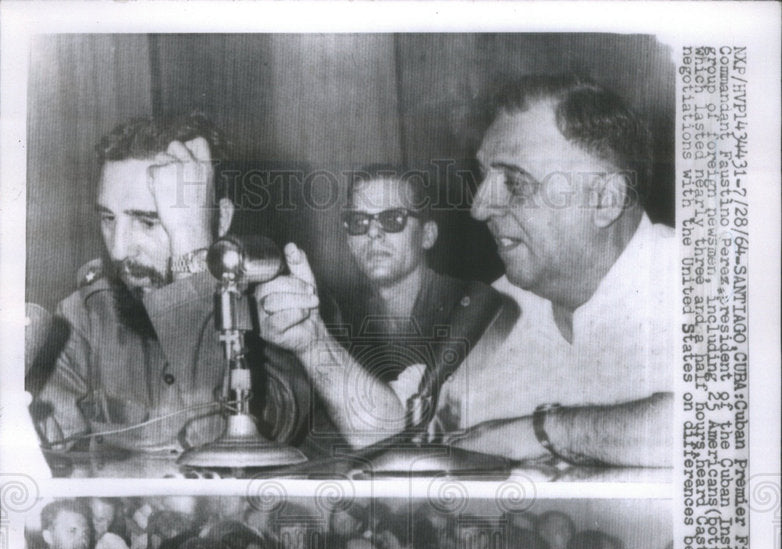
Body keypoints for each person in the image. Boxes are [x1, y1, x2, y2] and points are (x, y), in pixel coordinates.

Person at [409, 74, 675, 468]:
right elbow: (402, 426)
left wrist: (543, 431)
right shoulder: (501, 305)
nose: (480, 208)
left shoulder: (705, 283)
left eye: (515, 182)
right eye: (483, 177)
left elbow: (721, 423)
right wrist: (313, 343)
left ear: (606, 200)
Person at [29, 111, 310, 454]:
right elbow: (40, 442)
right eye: (107, 218)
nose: (118, 250)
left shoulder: (279, 317)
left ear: (218, 220)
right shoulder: (84, 318)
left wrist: (192, 241)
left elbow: (220, 439)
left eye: (147, 222)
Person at [251, 169, 510, 448]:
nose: (373, 232)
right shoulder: (336, 318)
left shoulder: (474, 308)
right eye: (358, 221)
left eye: (392, 219)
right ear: (349, 239)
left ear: (427, 235)